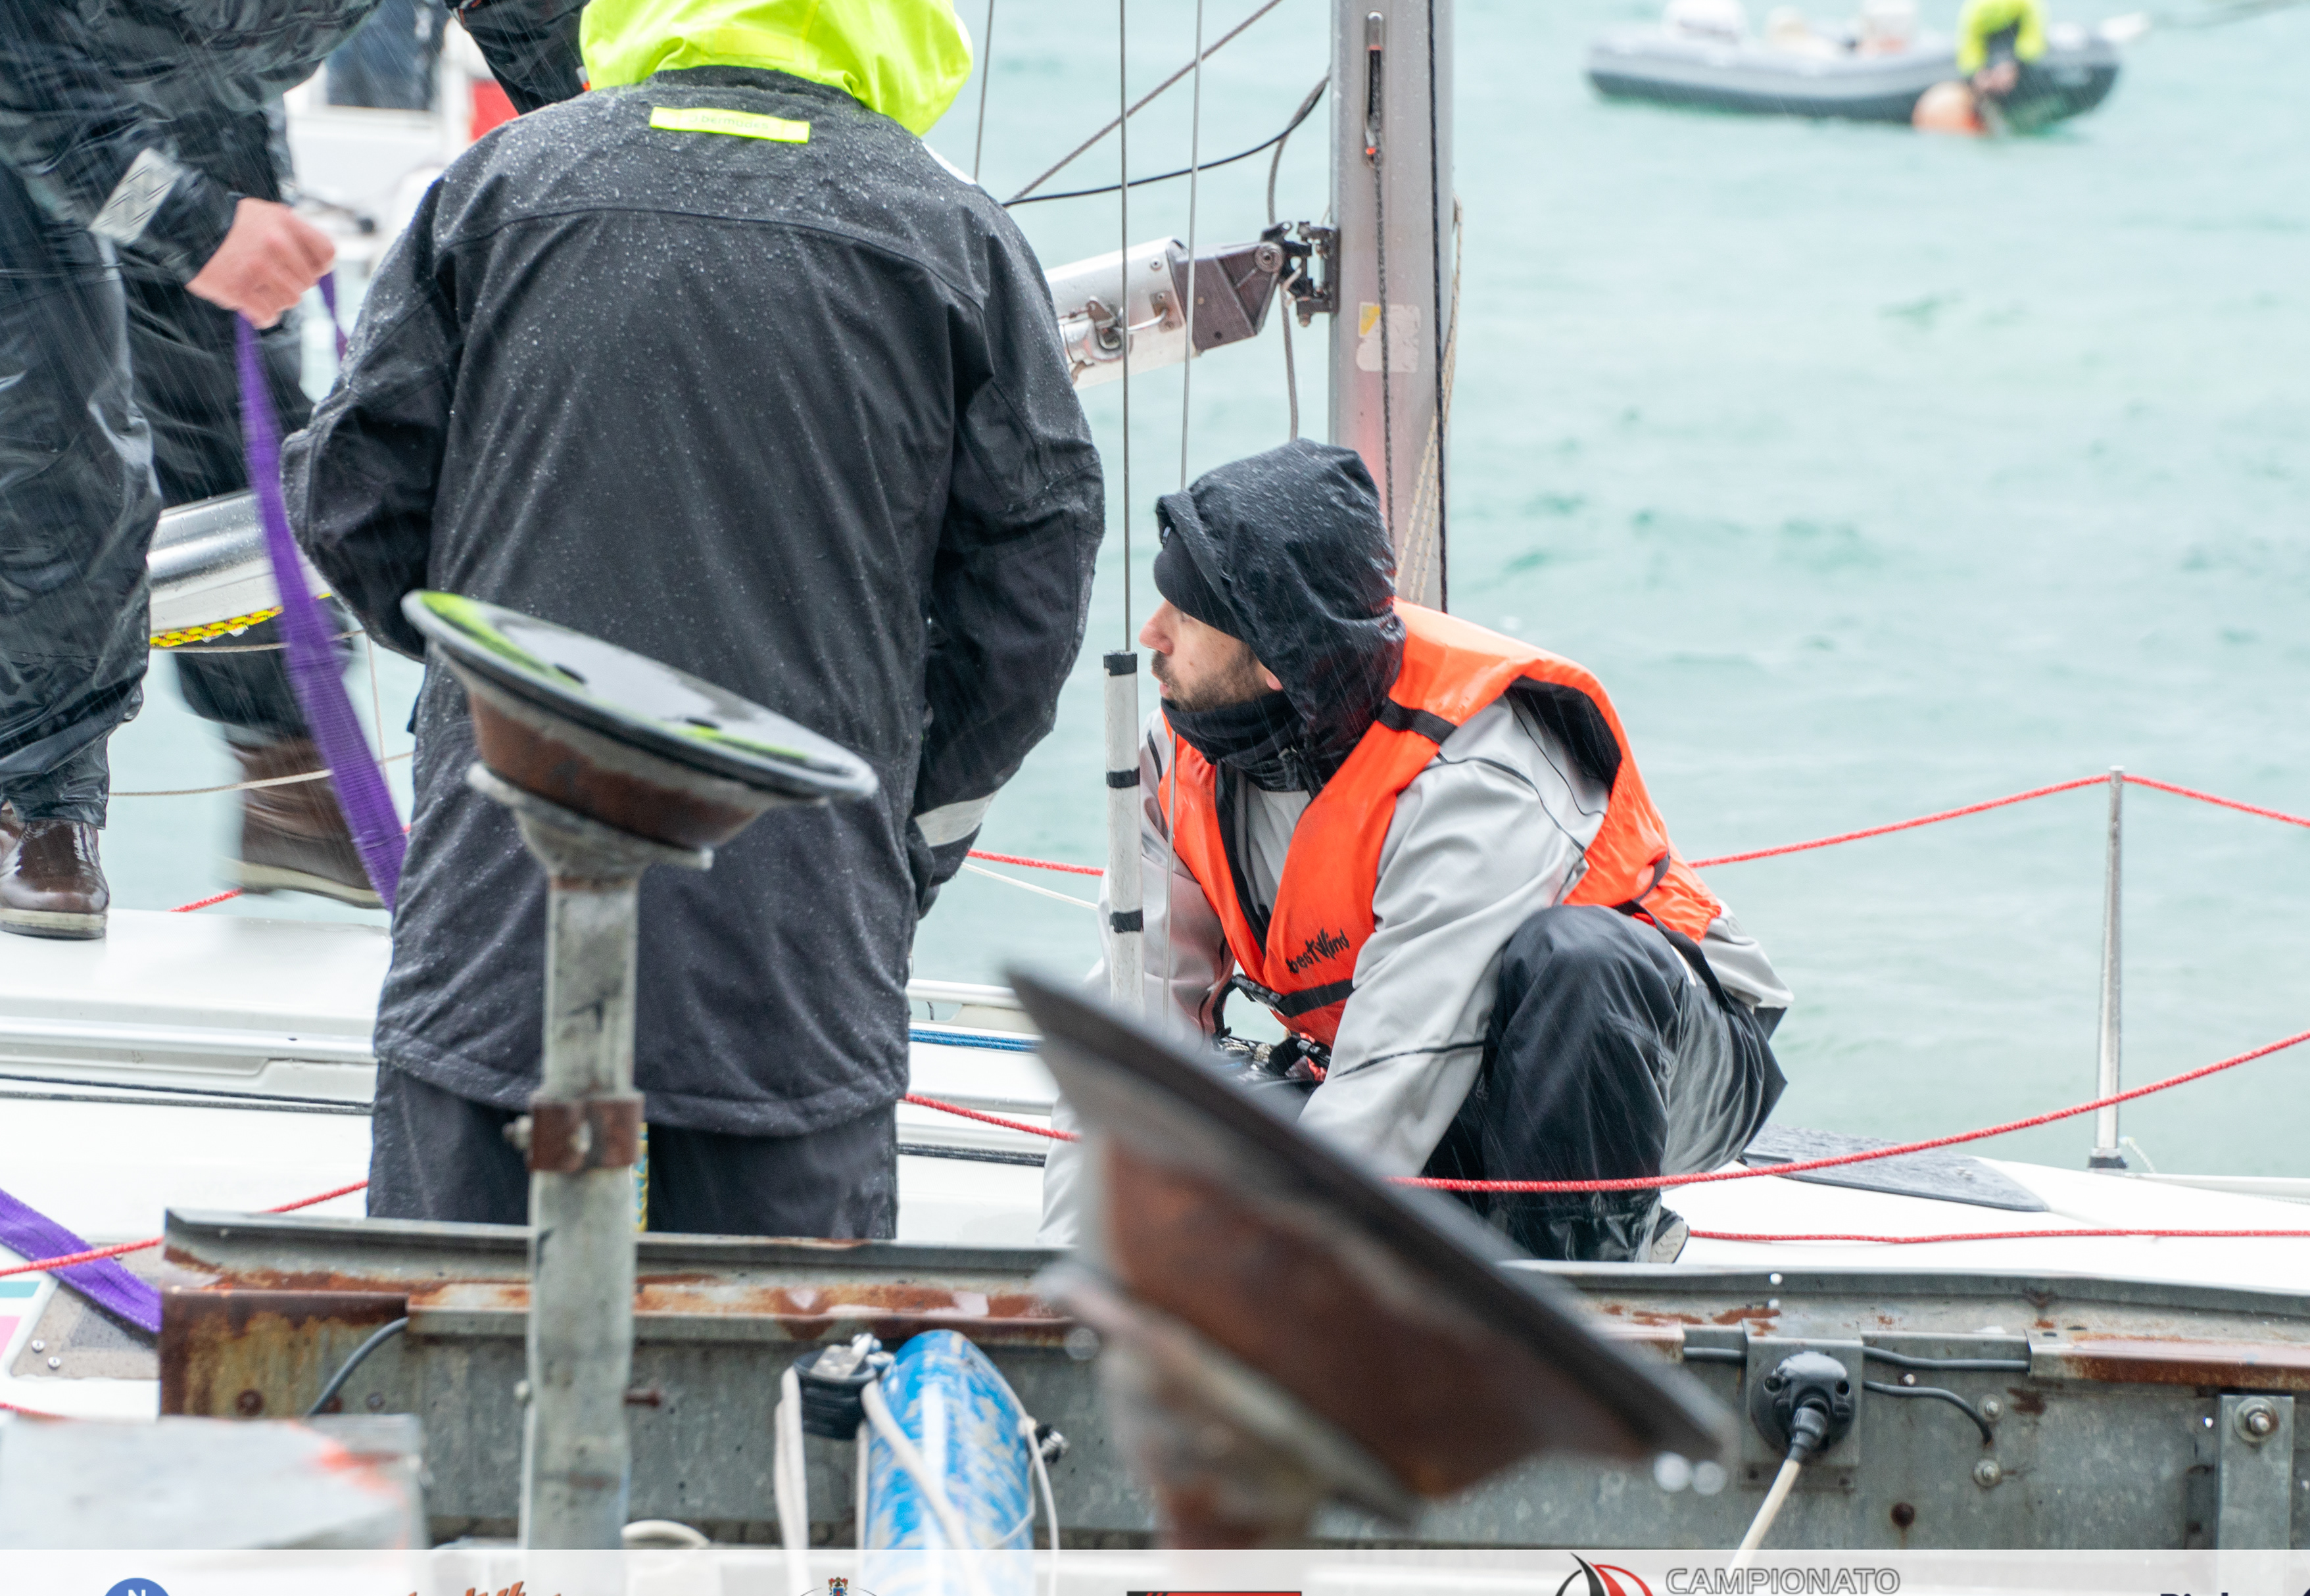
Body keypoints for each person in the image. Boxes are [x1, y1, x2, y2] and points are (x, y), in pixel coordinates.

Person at [286, 0, 1103, 1241]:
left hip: (505, 890)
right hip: (794, 927)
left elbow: (352, 493)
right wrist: (895, 814)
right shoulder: (952, 239)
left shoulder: (504, 184)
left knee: (451, 1346)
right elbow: (1030, 596)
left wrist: (506, 687)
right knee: (777, 1387)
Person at [1038, 443, 1789, 1263]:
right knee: (1207, 1177)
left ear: (1277, 654)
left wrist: (1281, 1292)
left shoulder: (1472, 767)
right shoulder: (1173, 759)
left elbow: (1397, 1075)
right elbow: (1135, 1030)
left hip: (1658, 1054)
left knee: (1576, 961)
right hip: (1433, 1067)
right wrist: (1075, 1287)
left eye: (1184, 614)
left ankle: (1574, 1300)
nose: (1151, 633)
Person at [0, 0, 587, 938]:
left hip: (195, 82)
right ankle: (36, 801)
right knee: (50, 434)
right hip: (23, 87)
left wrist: (611, 141)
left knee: (251, 429)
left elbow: (530, 17)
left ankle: (290, 774)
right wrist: (189, 225)